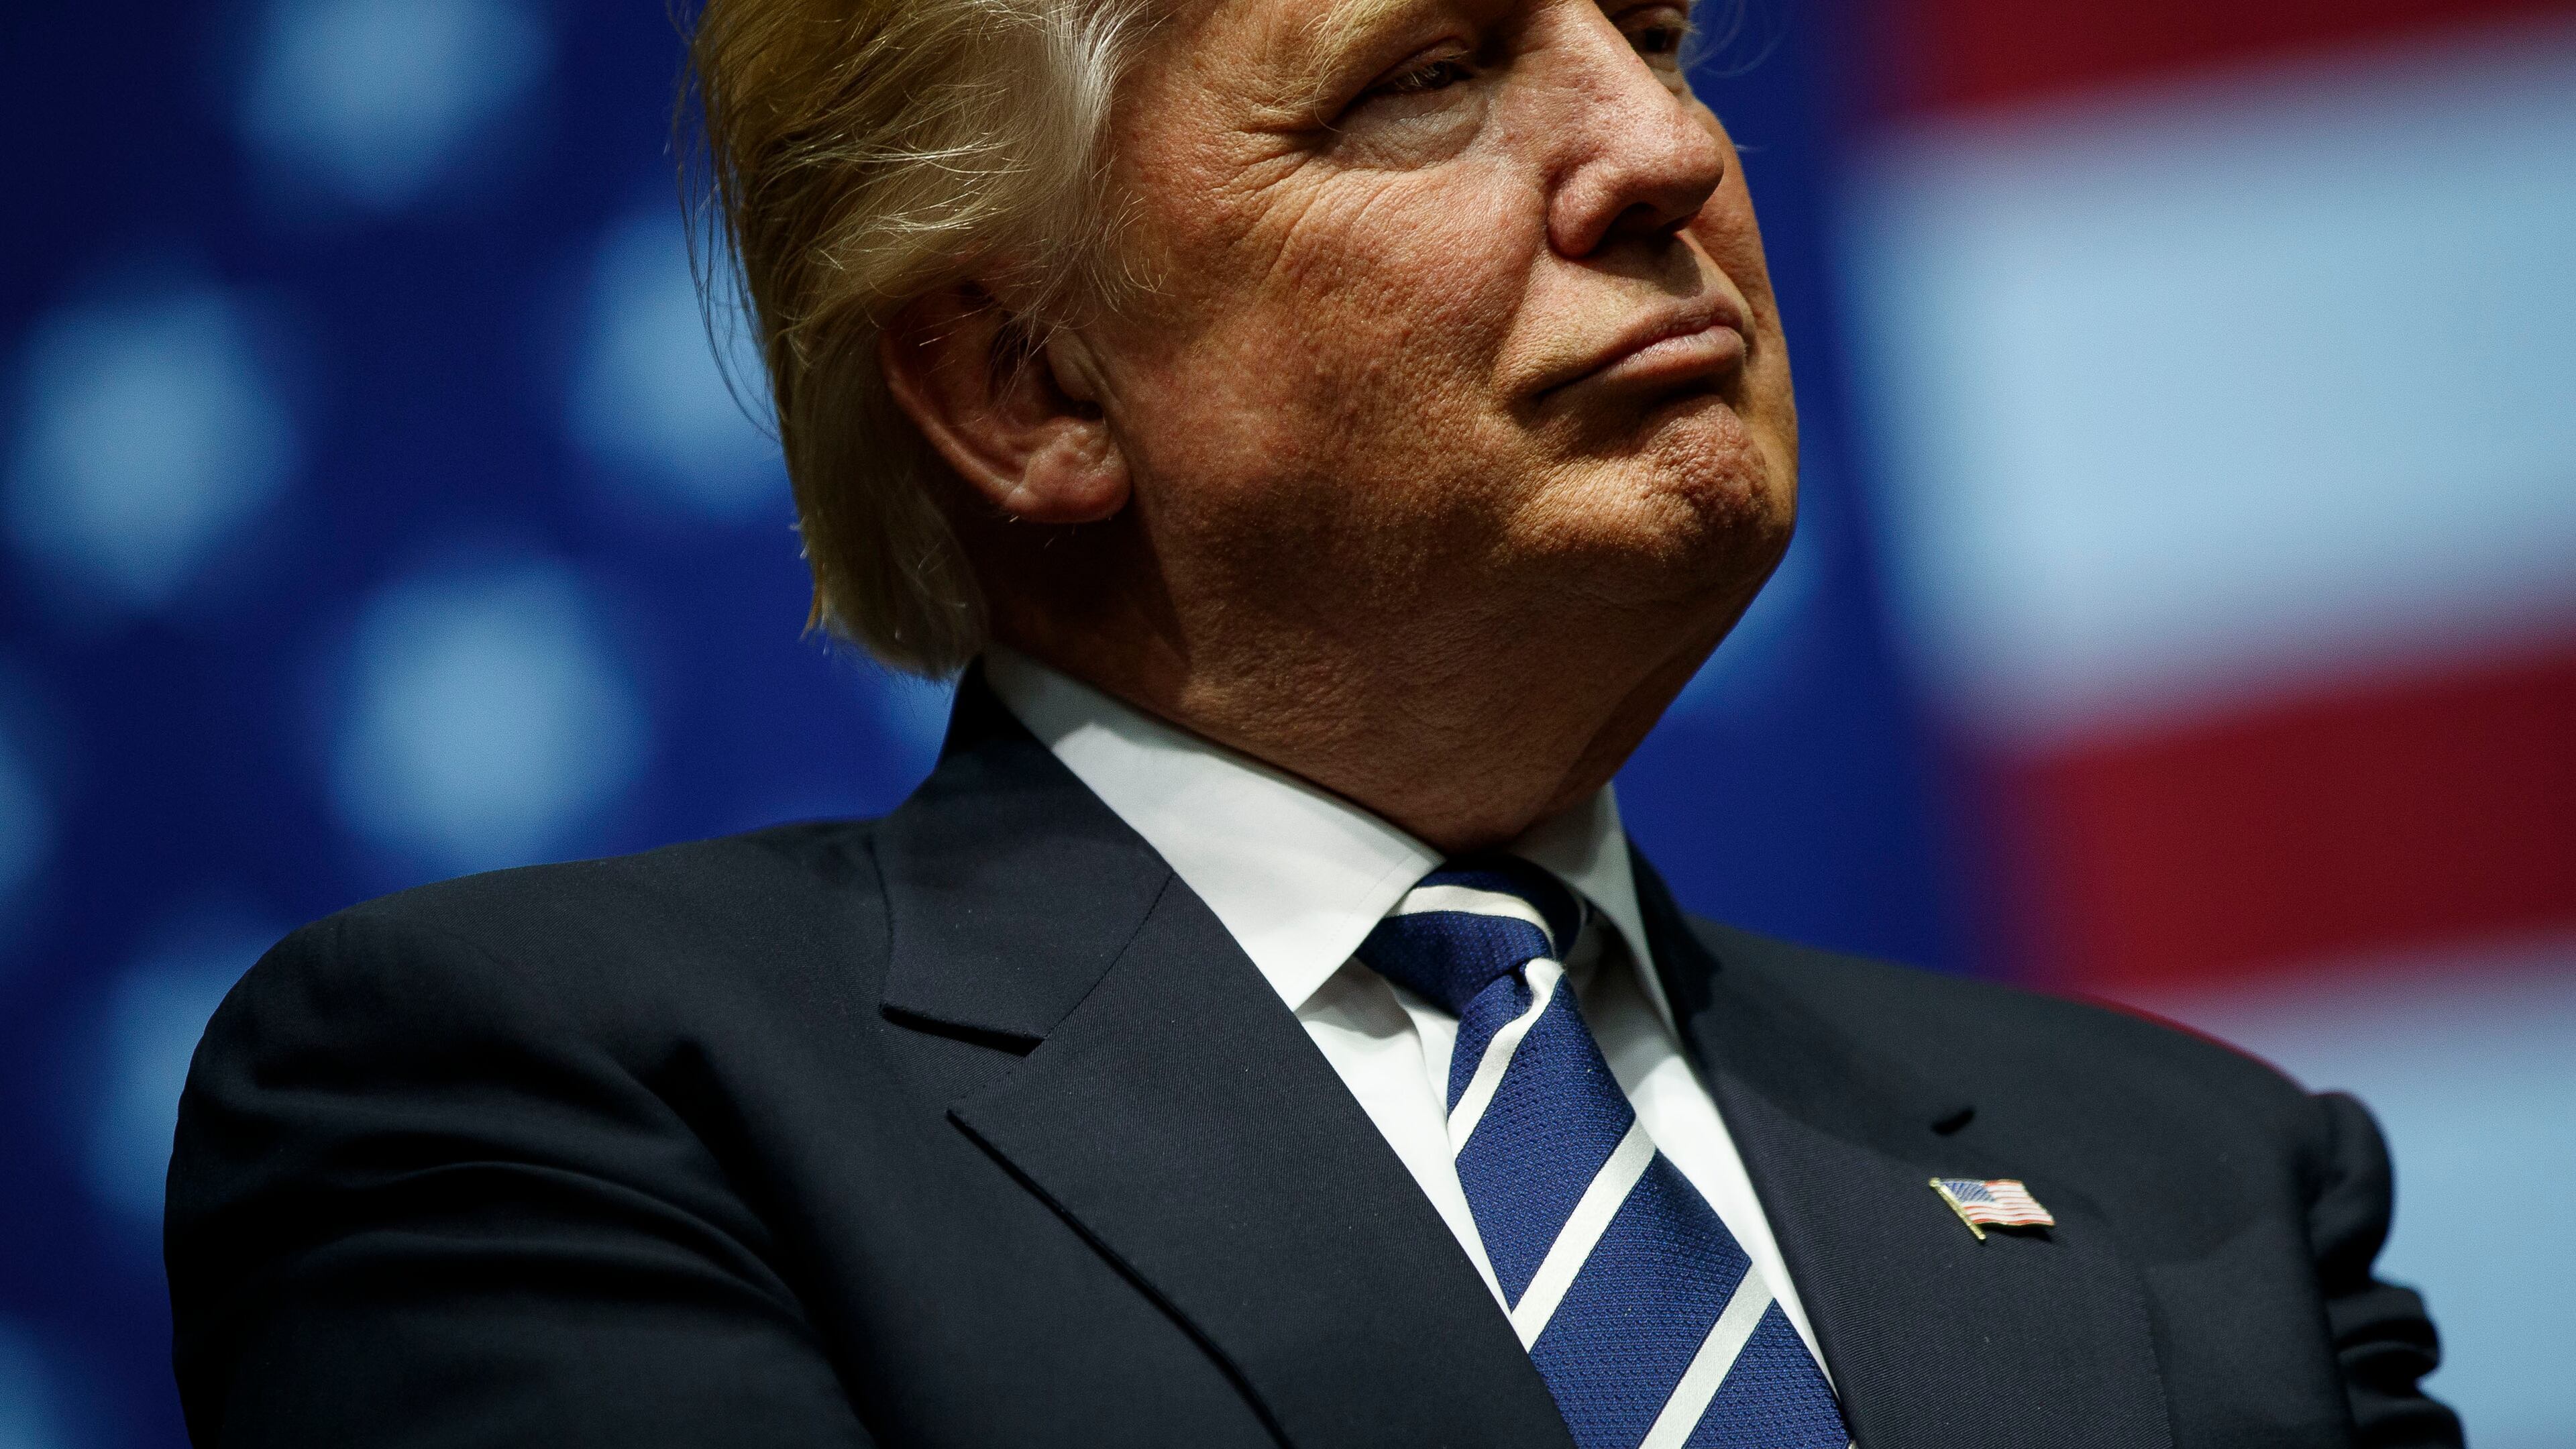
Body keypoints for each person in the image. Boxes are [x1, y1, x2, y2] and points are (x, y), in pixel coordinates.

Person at [164, 0, 2460, 1440]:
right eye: (1429, 75)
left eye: (1647, 30)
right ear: (1024, 379)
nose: (1660, 151)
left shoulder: (2210, 1190)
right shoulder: (557, 1109)